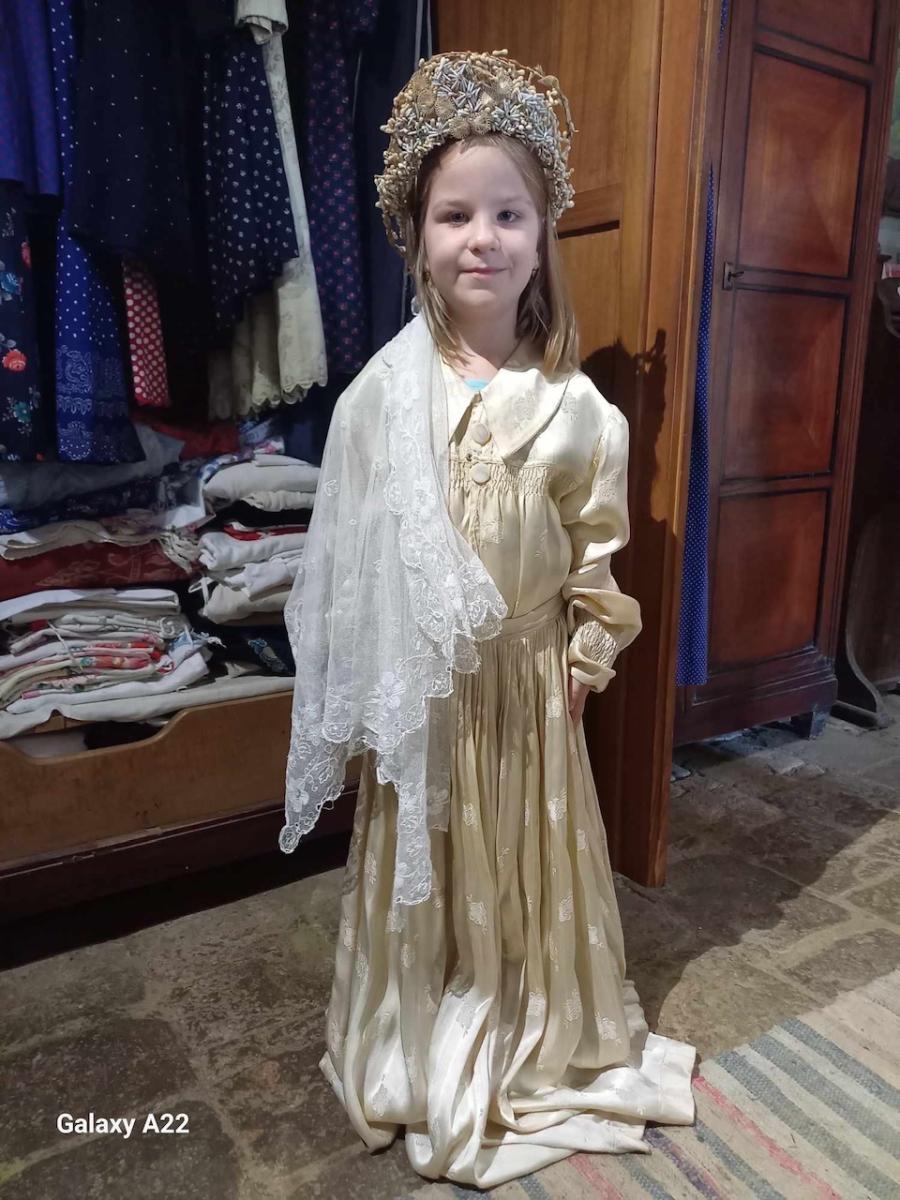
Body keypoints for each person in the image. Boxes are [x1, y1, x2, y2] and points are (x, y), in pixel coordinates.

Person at [280, 50, 697, 1188]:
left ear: (543, 233)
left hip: (523, 690)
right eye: (455, 215)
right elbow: (354, 560)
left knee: (521, 862)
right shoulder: (379, 398)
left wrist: (584, 657)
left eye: (508, 214)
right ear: (417, 237)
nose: (483, 239)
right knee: (434, 860)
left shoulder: (579, 412)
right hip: (427, 693)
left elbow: (595, 554)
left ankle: (526, 1015)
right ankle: (419, 1018)